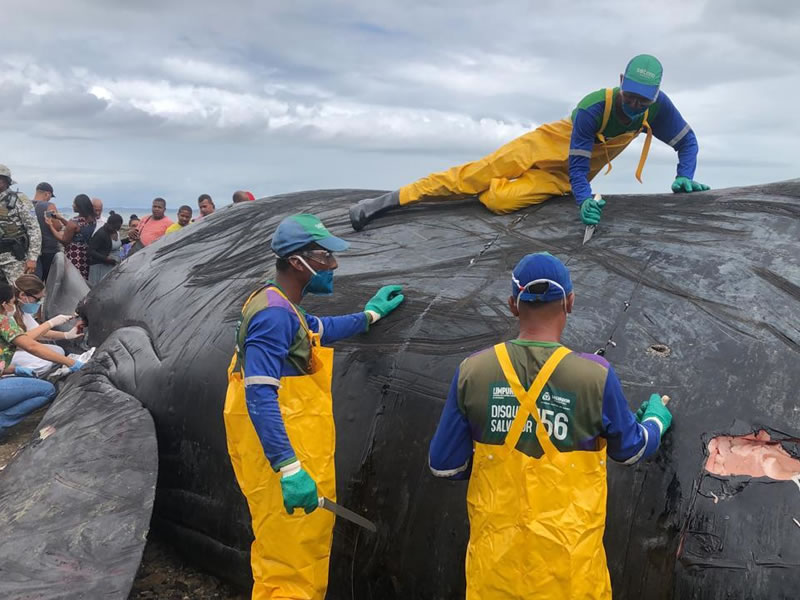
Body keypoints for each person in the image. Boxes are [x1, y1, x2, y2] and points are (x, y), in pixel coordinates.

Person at [428, 252, 673, 599]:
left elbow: (444, 466)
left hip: (496, 576)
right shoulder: (594, 377)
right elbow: (631, 451)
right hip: (572, 578)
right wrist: (654, 422)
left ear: (513, 304)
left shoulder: (473, 371)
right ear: (569, 302)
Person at [223, 214, 405, 599]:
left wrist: (369, 315)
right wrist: (288, 469)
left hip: (293, 447)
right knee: (290, 564)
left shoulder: (280, 306)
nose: (332, 266)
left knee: (299, 551)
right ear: (297, 261)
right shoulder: (272, 315)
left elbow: (316, 330)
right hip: (284, 453)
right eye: (324, 257)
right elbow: (259, 394)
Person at [349, 54, 709, 231]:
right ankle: (388, 201)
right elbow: (580, 164)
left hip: (560, 178)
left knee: (499, 201)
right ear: (620, 82)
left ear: (655, 96)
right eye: (630, 97)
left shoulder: (658, 109)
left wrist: (684, 174)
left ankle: (492, 190)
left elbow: (687, 142)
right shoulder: (594, 107)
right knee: (472, 176)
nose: (634, 106)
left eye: (642, 101)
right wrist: (585, 200)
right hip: (547, 147)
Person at [0, 282, 83, 439]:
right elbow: (31, 345)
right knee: (47, 390)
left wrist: (14, 370)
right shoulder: (3, 321)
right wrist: (70, 362)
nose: (13, 306)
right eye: (11, 302)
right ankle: (2, 422)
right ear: (4, 304)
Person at [9, 274, 81, 375]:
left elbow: (40, 332)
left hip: (16, 349)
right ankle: (11, 373)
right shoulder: (8, 313)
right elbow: (25, 342)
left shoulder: (21, 311)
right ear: (22, 296)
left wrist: (66, 335)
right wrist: (50, 323)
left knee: (58, 351)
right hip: (5, 353)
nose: (39, 303)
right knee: (43, 363)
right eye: (37, 299)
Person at [0, 164, 41, 284]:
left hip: (13, 259)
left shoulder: (19, 200)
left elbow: (34, 229)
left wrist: (32, 258)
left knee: (21, 293)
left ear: (6, 181)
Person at [46, 194, 96, 280]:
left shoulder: (74, 222)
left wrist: (50, 226)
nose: (72, 205)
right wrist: (61, 219)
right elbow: (76, 230)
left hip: (74, 255)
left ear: (79, 206)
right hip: (86, 254)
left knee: (73, 280)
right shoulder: (92, 219)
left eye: (74, 203)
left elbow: (64, 240)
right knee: (84, 279)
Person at [32, 182, 60, 282]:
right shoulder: (49, 206)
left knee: (35, 282)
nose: (49, 199)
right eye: (50, 196)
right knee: (50, 282)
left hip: (32, 251)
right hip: (48, 249)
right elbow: (57, 226)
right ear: (47, 194)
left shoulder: (27, 205)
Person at [87, 213, 125, 286]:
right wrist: (106, 259)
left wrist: (128, 240)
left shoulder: (116, 232)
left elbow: (116, 244)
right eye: (114, 227)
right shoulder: (101, 234)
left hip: (111, 266)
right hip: (99, 267)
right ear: (109, 224)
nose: (116, 229)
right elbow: (90, 251)